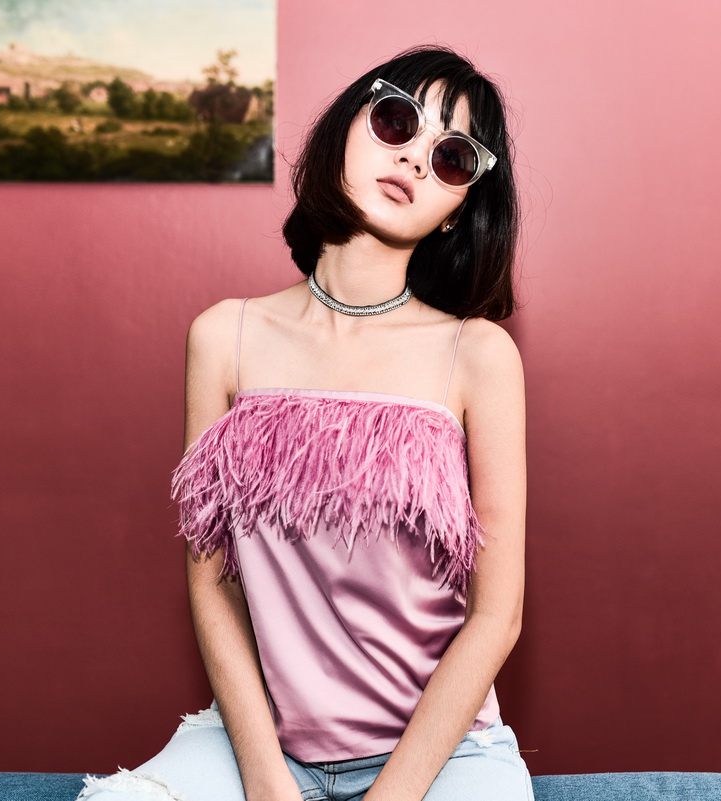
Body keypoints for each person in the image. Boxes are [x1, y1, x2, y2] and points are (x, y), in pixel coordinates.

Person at [76, 45, 531, 801]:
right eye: (397, 121)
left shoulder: (478, 355)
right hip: (260, 746)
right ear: (343, 130)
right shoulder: (224, 336)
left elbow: (497, 615)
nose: (414, 158)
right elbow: (212, 580)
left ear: (458, 209)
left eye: (451, 157)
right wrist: (266, 781)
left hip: (445, 755)